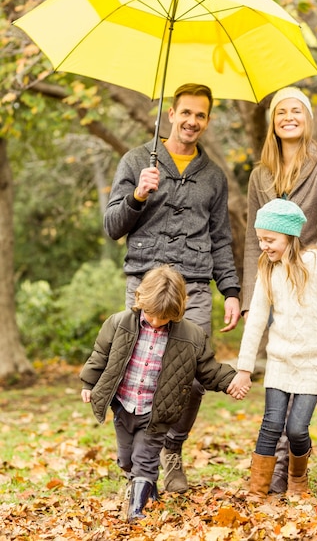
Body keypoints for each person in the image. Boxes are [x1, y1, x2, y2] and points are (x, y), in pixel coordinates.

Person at [103, 83, 241, 493]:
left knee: (193, 378)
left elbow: (220, 237)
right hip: (145, 286)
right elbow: (112, 227)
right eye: (186, 113)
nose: (192, 122)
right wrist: (137, 195)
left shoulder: (213, 175)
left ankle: (171, 451)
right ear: (171, 114)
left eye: (200, 115)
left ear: (207, 120)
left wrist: (231, 290)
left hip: (195, 287)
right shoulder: (136, 161)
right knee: (133, 373)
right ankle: (134, 463)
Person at [241, 85, 317, 493]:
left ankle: (287, 470)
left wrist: (312, 267)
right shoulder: (260, 175)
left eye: (296, 111)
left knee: (303, 371)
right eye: (281, 111)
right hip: (271, 280)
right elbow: (255, 239)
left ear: (307, 118)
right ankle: (276, 470)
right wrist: (254, 296)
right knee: (280, 372)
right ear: (273, 120)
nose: (289, 117)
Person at [80, 265, 248, 522]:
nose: (157, 322)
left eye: (164, 318)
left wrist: (230, 381)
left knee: (144, 459)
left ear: (178, 310)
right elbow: (100, 355)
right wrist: (89, 384)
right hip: (125, 405)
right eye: (152, 314)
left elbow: (207, 369)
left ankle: (136, 510)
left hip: (156, 411)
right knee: (126, 460)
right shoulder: (118, 323)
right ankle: (148, 486)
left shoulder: (191, 336)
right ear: (140, 299)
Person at [234, 199, 317, 498]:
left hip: (315, 362)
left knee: (296, 429)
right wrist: (244, 369)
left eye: (270, 240)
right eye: (260, 240)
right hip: (280, 360)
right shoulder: (268, 270)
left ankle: (297, 476)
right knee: (270, 425)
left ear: (290, 236)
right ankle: (257, 491)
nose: (264, 246)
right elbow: (255, 321)